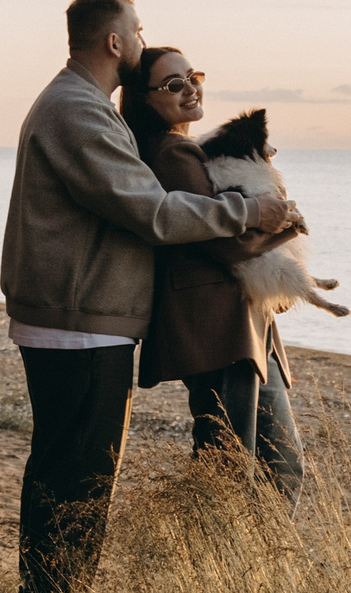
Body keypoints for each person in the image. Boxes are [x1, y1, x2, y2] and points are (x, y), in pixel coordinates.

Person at [0, 0, 298, 593]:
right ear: (115, 42)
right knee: (77, 477)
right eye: (138, 31)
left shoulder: (79, 106)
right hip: (77, 329)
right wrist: (250, 210)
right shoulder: (77, 111)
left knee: (69, 470)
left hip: (80, 322)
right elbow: (155, 212)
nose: (142, 38)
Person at [120, 47, 307, 503]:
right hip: (219, 330)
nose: (191, 89)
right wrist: (286, 224)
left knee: (261, 467)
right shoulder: (172, 153)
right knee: (240, 468)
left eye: (193, 76)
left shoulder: (188, 151)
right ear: (145, 100)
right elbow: (226, 242)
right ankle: (221, 568)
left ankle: (244, 568)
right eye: (173, 85)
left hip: (235, 329)